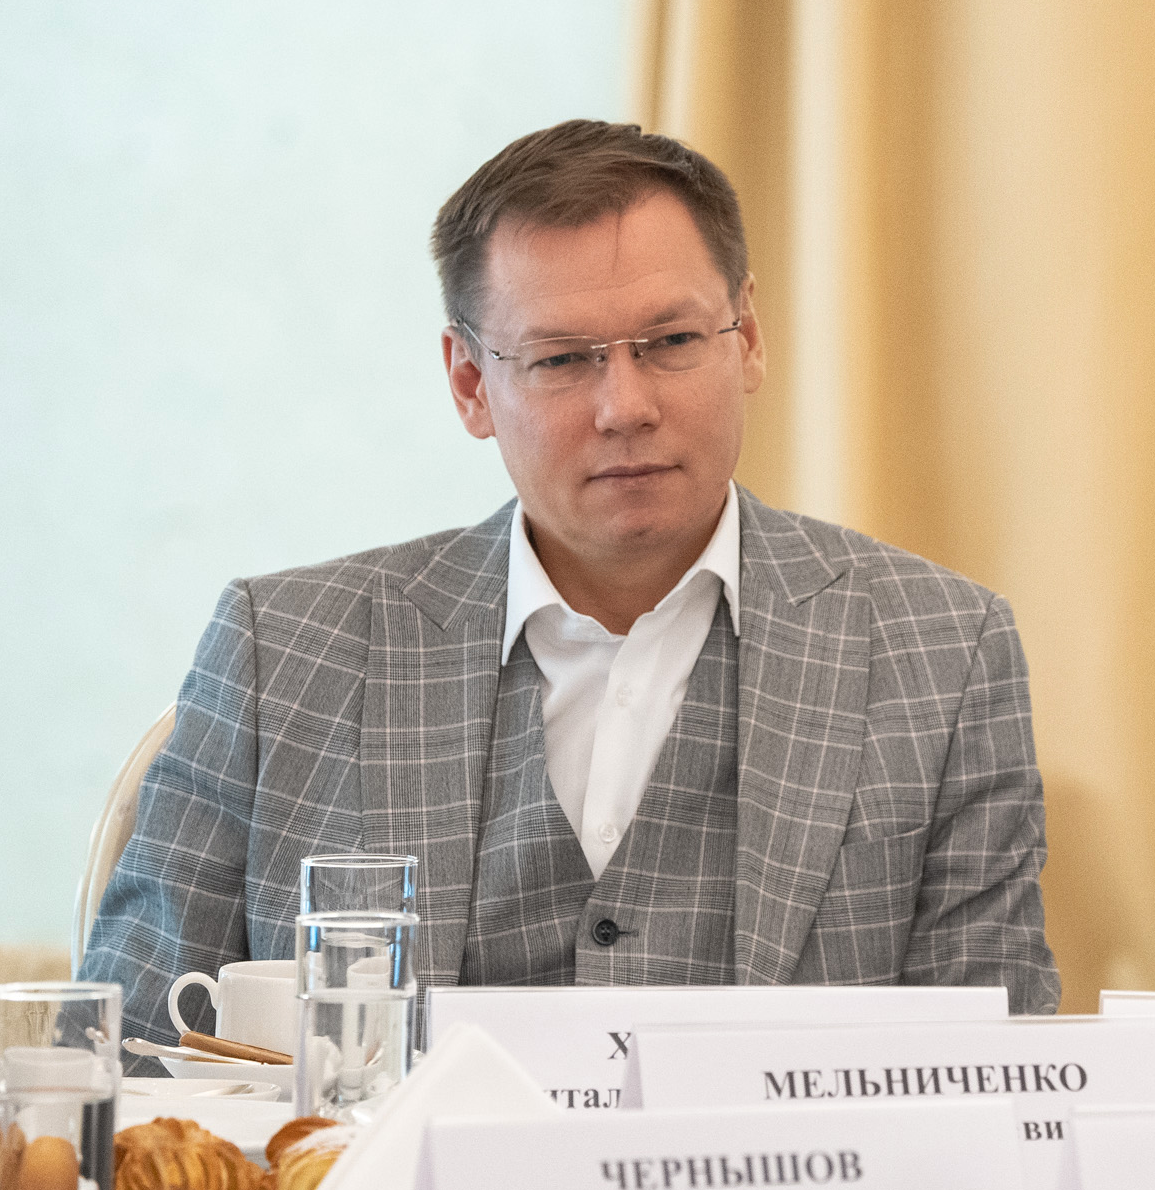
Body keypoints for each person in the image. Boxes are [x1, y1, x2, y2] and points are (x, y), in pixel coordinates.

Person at [84, 121, 1059, 1047]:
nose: (625, 406)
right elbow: (120, 1058)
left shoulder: (944, 653)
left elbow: (1002, 1089)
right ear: (470, 383)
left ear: (749, 338)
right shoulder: (282, 652)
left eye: (671, 343)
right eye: (560, 359)